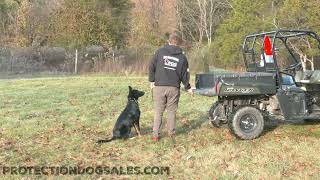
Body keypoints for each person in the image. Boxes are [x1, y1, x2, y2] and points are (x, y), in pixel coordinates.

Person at [149, 32, 193, 142]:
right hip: (174, 88)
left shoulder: (159, 52)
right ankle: (171, 133)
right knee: (171, 111)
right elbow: (185, 74)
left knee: (158, 111)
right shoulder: (182, 57)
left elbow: (151, 65)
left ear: (168, 41)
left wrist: (152, 80)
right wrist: (188, 87)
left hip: (159, 87)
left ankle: (155, 135)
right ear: (179, 43)